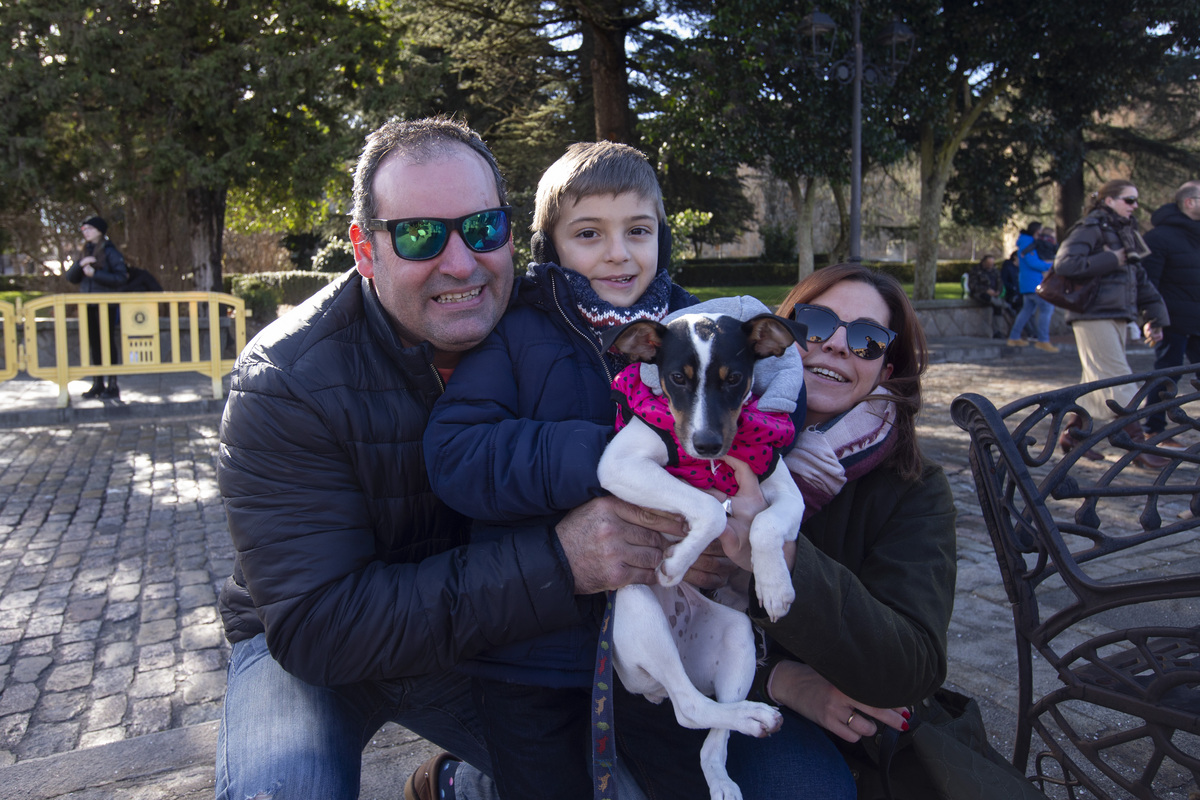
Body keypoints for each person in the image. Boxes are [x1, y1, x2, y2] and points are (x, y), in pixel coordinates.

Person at [214, 118, 701, 800]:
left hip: (495, 629)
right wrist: (562, 561)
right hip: (325, 646)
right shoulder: (284, 380)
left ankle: (460, 785)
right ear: (364, 249)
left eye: (481, 229)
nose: (461, 262)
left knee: (618, 790)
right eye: (418, 234)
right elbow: (318, 626)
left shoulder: (564, 321)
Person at [423, 141, 791, 800]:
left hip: (665, 628)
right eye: (589, 233)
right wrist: (617, 454)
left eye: (638, 231)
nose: (618, 252)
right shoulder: (517, 333)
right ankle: (465, 784)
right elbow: (457, 455)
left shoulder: (704, 330)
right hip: (533, 641)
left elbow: (757, 431)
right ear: (551, 245)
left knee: (684, 785)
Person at [716, 263, 959, 799]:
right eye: (817, 323)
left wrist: (784, 556)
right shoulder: (701, 428)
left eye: (868, 340)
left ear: (886, 368)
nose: (838, 347)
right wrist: (779, 680)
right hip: (691, 683)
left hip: (834, 726)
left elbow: (911, 664)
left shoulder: (913, 489)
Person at [1052, 179, 1170, 469]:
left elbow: (1139, 281)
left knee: (1096, 384)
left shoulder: (1124, 233)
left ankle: (1072, 435)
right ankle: (1136, 445)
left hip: (1116, 314)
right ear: (1108, 201)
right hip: (1092, 315)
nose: (1135, 206)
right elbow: (1064, 263)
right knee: (1118, 377)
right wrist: (1111, 258)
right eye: (1129, 200)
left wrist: (1154, 317)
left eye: (1136, 201)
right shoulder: (1090, 228)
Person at [1141, 180, 1200, 445]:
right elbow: (1147, 283)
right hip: (1172, 320)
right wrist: (1151, 319)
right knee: (1166, 376)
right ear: (1190, 202)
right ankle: (1153, 430)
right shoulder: (1159, 237)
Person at [64, 216, 128, 398]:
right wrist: (80, 265)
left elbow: (121, 277)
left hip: (106, 304)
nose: (86, 232)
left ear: (99, 230)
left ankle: (112, 384)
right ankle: (97, 383)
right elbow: (71, 278)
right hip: (88, 305)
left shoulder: (110, 251)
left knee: (108, 343)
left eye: (90, 229)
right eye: (84, 230)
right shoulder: (84, 251)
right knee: (94, 344)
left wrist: (96, 274)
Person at [1006, 221, 1059, 352]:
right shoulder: (1029, 243)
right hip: (1035, 283)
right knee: (1046, 310)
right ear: (1036, 232)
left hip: (1027, 283)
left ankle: (1014, 336)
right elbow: (1033, 262)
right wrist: (1050, 266)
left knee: (1026, 311)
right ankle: (1043, 340)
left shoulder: (1024, 242)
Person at [967, 254, 1013, 338]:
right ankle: (1004, 305)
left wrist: (998, 291)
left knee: (997, 308)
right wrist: (986, 290)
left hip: (994, 294)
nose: (990, 266)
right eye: (988, 263)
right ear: (984, 262)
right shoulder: (976, 270)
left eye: (992, 263)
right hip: (981, 293)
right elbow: (973, 285)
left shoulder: (995, 271)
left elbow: (1000, 283)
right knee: (988, 298)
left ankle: (997, 332)